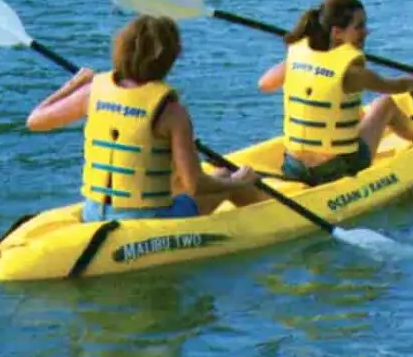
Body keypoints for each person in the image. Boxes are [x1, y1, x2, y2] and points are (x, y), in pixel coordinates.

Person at [26, 14, 266, 221]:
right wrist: (239, 181)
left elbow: (35, 120)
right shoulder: (172, 112)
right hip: (149, 217)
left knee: (216, 176)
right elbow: (195, 184)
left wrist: (74, 84)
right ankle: (270, 217)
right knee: (227, 179)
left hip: (93, 212)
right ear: (170, 58)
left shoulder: (92, 92)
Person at [256, 0, 413, 182]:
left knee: (350, 111)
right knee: (385, 104)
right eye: (359, 27)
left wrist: (296, 62)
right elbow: (396, 86)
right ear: (337, 33)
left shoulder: (297, 59)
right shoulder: (351, 72)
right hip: (335, 169)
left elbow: (264, 84)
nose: (366, 32)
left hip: (293, 167)